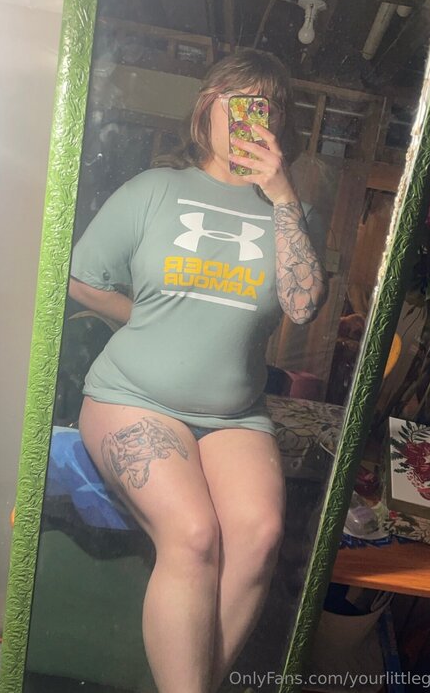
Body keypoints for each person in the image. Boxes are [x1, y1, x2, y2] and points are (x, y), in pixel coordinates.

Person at [69, 49, 327, 693]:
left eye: (266, 107)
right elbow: (80, 278)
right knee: (193, 535)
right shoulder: (154, 190)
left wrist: (283, 194)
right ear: (206, 108)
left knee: (260, 538)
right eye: (237, 102)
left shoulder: (289, 214)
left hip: (235, 414)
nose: (251, 118)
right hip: (131, 396)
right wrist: (142, 317)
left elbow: (303, 305)